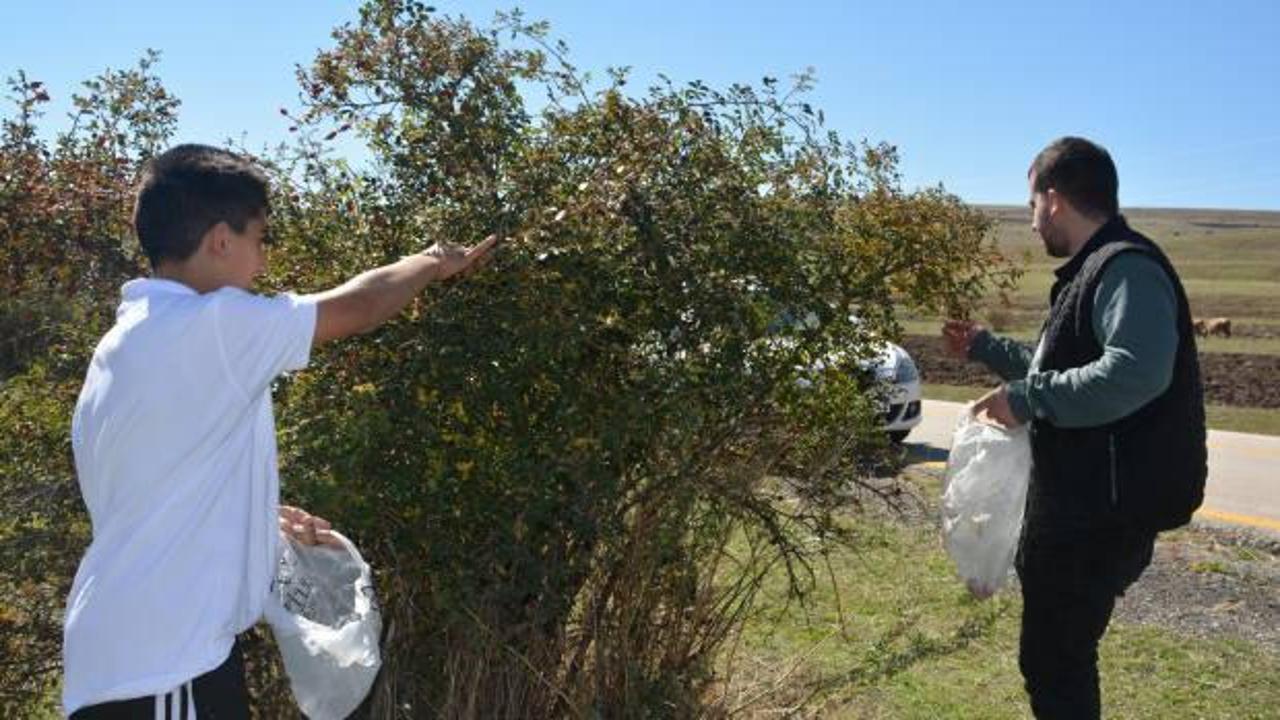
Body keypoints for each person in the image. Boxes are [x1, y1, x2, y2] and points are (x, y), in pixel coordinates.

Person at [63, 144, 497, 718]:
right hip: (164, 663)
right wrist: (434, 261)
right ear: (221, 239)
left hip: (144, 657)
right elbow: (360, 305)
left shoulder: (127, 343)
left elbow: (154, 488)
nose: (261, 264)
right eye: (259, 240)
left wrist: (256, 516)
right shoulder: (212, 326)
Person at [941, 136, 1206, 719]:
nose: (1033, 222)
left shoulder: (1125, 268)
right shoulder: (1094, 272)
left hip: (1099, 516)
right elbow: (1060, 369)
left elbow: (1134, 373)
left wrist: (1028, 399)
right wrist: (988, 349)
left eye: (1032, 204)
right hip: (1082, 508)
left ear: (1054, 199)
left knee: (1057, 665)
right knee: (1054, 661)